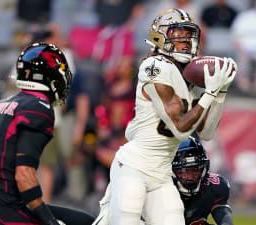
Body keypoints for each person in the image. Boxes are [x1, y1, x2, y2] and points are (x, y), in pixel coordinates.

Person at [99, 8, 237, 225]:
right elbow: (180, 128)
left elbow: (207, 132)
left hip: (162, 173)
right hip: (134, 166)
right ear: (159, 37)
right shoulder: (154, 66)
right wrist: (209, 93)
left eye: (189, 35)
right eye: (179, 35)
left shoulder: (187, 73)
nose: (186, 41)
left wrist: (220, 91)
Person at [0, 42, 95, 225]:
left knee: (81, 220)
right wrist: (49, 221)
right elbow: (24, 174)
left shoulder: (0, 105)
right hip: (0, 208)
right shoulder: (37, 107)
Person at [93, 137, 234, 225]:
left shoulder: (214, 186)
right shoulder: (154, 186)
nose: (190, 177)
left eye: (195, 170)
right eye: (184, 171)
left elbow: (224, 218)